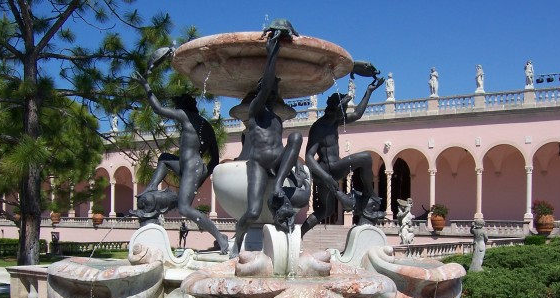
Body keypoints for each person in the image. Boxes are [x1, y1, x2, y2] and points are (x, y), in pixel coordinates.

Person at [133, 71, 229, 254]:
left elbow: (158, 109)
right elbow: (215, 160)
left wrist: (146, 86)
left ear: (183, 107)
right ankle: (151, 187)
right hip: (191, 167)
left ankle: (220, 237)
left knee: (184, 208)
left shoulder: (186, 116)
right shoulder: (207, 126)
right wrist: (203, 176)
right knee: (164, 158)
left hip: (191, 168)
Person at [231, 31, 303, 256]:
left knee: (296, 136)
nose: (273, 94)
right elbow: (265, 88)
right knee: (253, 212)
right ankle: (238, 239)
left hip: (278, 161)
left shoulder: (277, 118)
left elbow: (290, 148)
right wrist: (273, 54)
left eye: (275, 92)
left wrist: (296, 166)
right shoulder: (255, 110)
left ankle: (278, 183)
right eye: (270, 90)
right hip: (259, 163)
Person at [300, 76, 385, 237]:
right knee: (326, 210)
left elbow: (357, 114)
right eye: (343, 109)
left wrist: (368, 92)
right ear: (336, 109)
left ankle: (369, 194)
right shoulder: (319, 127)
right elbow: (309, 157)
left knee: (325, 210)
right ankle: (299, 234)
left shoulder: (335, 120)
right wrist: (326, 177)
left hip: (334, 169)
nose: (345, 113)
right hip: (327, 171)